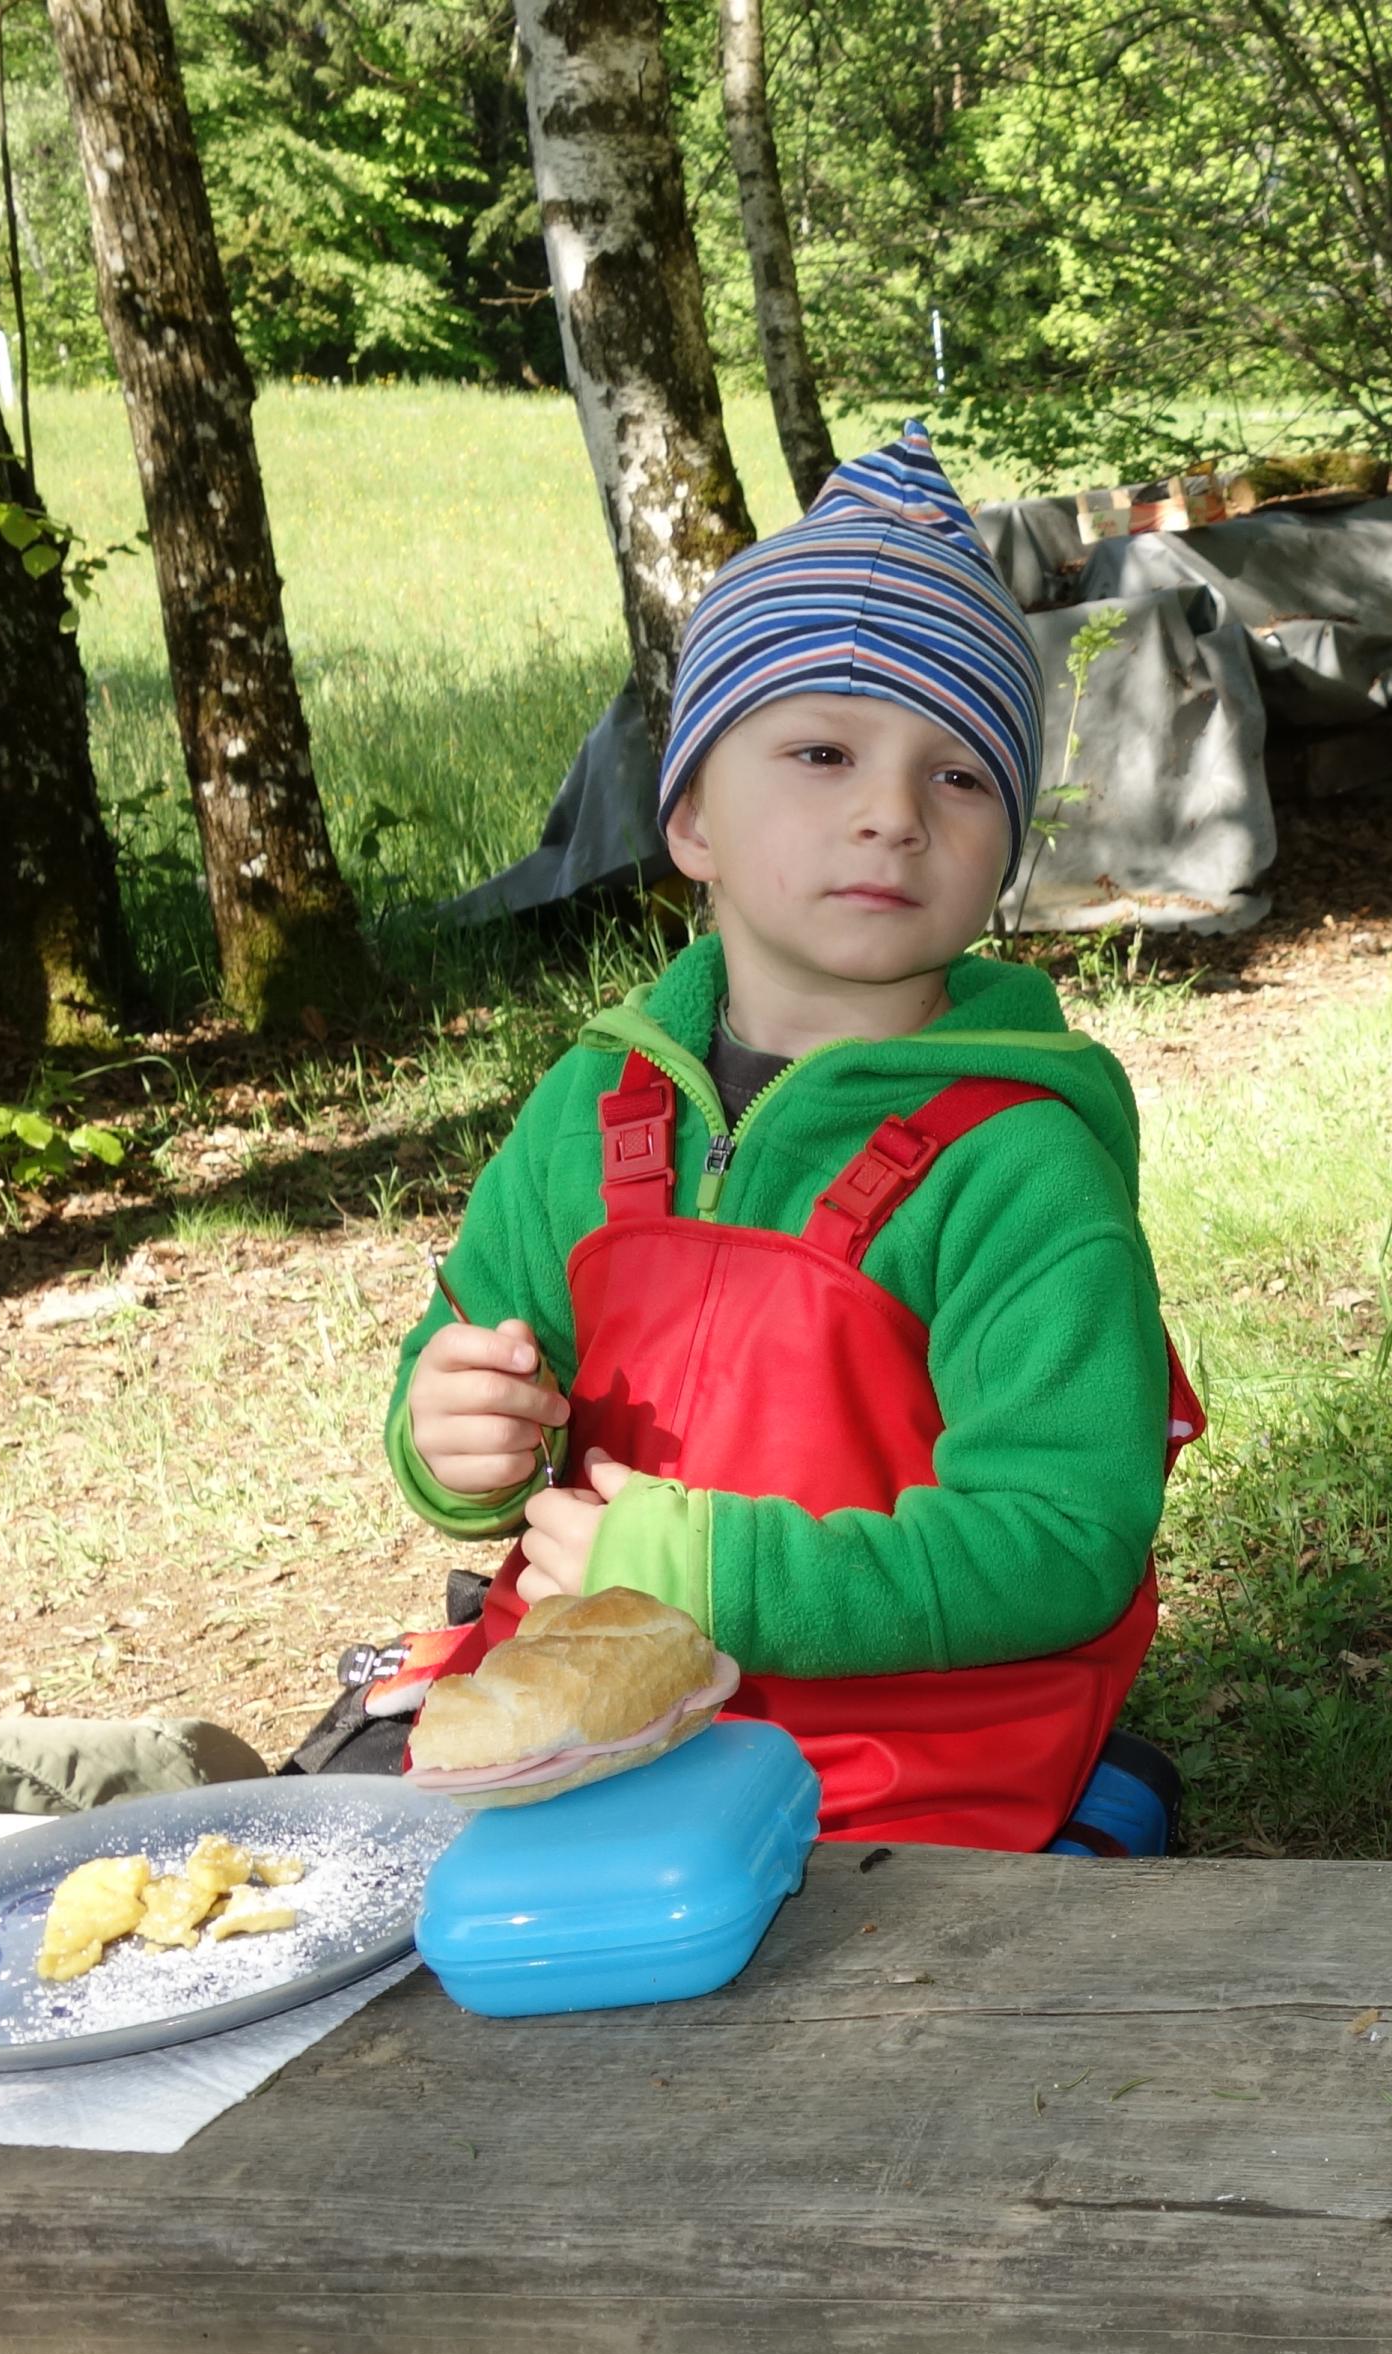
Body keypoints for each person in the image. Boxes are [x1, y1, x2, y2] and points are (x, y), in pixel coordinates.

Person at [384, 427, 1197, 1854]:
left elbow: (1068, 1539)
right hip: (590, 1726)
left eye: (961, 777)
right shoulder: (590, 1107)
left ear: (1005, 851)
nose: (892, 814)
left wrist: (724, 1579)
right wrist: (454, 1439)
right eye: (823, 752)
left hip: (906, 1778)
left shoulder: (1019, 1163)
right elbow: (464, 1360)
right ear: (692, 816)